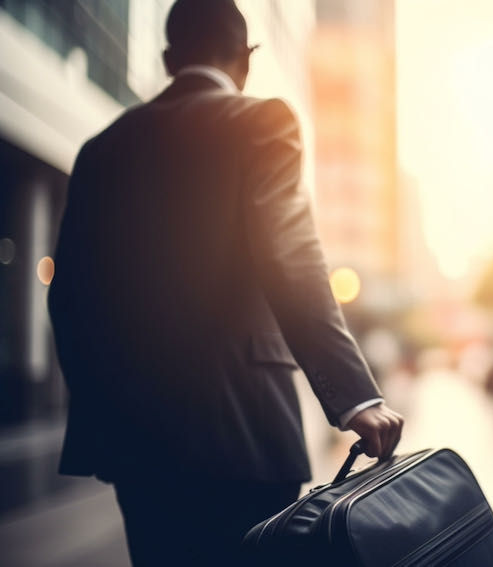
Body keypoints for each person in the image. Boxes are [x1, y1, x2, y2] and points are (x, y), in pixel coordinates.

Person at [47, 1, 403, 565]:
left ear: (168, 59)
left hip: (136, 446)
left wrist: (106, 409)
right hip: (244, 434)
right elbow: (290, 253)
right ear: (247, 58)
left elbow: (66, 298)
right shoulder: (261, 122)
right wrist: (353, 395)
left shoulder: (100, 149)